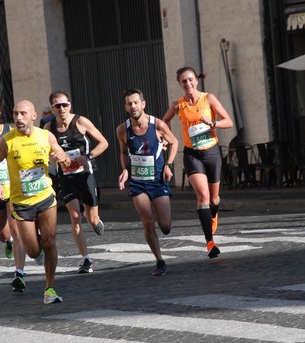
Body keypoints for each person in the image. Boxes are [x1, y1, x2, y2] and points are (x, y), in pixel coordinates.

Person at [0, 100, 71, 304]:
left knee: (50, 243)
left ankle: (49, 288)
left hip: (45, 197)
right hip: (21, 203)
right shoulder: (7, 141)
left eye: (23, 113)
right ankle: (36, 248)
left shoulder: (45, 136)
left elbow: (63, 159)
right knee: (33, 251)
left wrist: (61, 156)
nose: (18, 118)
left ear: (33, 115)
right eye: (15, 114)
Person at [163, 66, 233, 258]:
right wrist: (165, 138)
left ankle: (214, 212)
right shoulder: (177, 105)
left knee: (214, 199)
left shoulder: (208, 98)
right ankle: (210, 242)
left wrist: (214, 123)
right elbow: (164, 122)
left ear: (196, 80)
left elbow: (228, 121)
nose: (188, 84)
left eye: (190, 80)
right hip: (192, 154)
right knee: (202, 197)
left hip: (211, 152)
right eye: (184, 81)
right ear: (180, 84)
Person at [116, 88, 178, 276]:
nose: (133, 106)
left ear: (143, 104)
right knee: (147, 221)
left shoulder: (157, 124)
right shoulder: (122, 129)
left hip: (158, 180)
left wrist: (168, 165)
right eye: (129, 103)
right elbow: (123, 152)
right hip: (138, 182)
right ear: (126, 107)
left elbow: (174, 142)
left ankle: (163, 224)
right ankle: (159, 261)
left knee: (165, 226)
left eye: (136, 102)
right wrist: (125, 170)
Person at [45, 90, 108, 274]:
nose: (62, 109)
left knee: (91, 218)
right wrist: (54, 158)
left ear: (69, 105)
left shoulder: (80, 122)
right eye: (58, 106)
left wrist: (87, 156)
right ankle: (86, 259)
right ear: (53, 109)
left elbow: (104, 142)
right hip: (65, 177)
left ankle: (96, 221)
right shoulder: (48, 128)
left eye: (64, 105)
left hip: (85, 174)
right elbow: (45, 151)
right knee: (74, 216)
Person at [0, 123, 27, 292]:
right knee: (4, 235)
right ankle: (8, 241)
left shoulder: (10, 131)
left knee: (16, 230)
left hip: (12, 187)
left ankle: (19, 274)